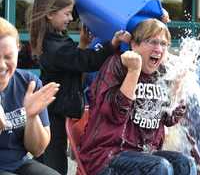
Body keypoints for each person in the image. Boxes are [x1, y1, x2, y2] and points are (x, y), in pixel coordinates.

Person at [28, 0, 131, 175]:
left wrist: (83, 42)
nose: (70, 18)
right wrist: (113, 43)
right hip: (53, 113)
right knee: (55, 165)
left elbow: (74, 63)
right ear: (50, 15)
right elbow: (87, 61)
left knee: (42, 156)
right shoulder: (56, 47)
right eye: (66, 14)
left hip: (51, 109)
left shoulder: (53, 38)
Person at [79, 18, 197, 175]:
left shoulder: (161, 72)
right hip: (107, 156)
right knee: (159, 166)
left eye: (163, 44)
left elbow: (170, 119)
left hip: (145, 153)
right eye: (152, 42)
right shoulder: (117, 64)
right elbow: (114, 114)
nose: (159, 49)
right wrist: (134, 71)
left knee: (186, 163)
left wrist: (178, 84)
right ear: (134, 45)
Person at [0, 17, 61, 175]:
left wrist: (32, 117)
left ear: (18, 49)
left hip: (18, 164)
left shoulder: (29, 83)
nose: (1, 65)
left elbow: (38, 150)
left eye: (8, 57)